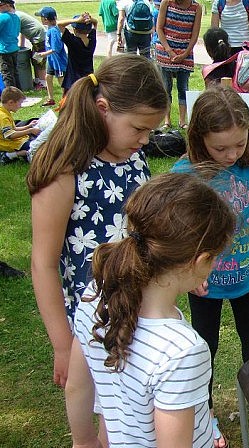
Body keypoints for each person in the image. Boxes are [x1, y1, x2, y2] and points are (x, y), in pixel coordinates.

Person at [66, 172, 235, 448]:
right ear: (200, 261)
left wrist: (84, 442)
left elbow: (77, 385)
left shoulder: (95, 297)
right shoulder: (182, 350)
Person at [26, 54, 168, 389]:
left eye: (150, 131)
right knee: (107, 408)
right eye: (138, 128)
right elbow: (42, 264)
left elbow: (142, 228)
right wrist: (63, 346)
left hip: (140, 305)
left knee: (136, 407)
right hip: (94, 319)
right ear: (103, 108)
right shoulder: (64, 170)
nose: (145, 140)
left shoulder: (134, 157)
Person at [171, 86, 249, 448]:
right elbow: (173, 229)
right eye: (220, 148)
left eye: (238, 145)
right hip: (204, 282)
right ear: (198, 138)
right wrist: (188, 271)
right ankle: (204, 412)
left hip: (247, 273)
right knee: (203, 347)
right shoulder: (186, 172)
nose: (231, 155)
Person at [155, 0, 202, 129]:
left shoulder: (197, 7)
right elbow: (159, 28)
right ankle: (167, 120)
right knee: (166, 87)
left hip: (185, 51)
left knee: (183, 88)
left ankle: (182, 121)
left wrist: (186, 53)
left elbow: (195, 34)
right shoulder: (166, 2)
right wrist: (169, 50)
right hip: (165, 51)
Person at [35, 6, 67, 107]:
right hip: (52, 60)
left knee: (61, 80)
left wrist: (44, 54)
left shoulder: (54, 31)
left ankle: (65, 100)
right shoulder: (49, 29)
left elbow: (56, 48)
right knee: (48, 77)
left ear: (45, 19)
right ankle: (51, 98)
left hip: (58, 61)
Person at [58, 13, 98, 95]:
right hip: (88, 79)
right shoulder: (92, 40)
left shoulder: (73, 41)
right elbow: (96, 23)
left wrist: (76, 20)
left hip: (73, 80)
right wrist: (90, 19)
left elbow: (60, 24)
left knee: (70, 104)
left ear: (75, 29)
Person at [0, 86, 41, 164]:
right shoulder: (3, 117)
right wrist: (30, 130)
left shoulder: (5, 112)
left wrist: (28, 126)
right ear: (11, 102)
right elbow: (10, 135)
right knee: (37, 148)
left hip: (16, 142)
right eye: (20, 103)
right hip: (12, 144)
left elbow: (14, 128)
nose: (21, 106)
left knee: (36, 143)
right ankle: (9, 155)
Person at [16, 10, 47, 90]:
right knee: (35, 59)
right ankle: (37, 81)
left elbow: (14, 33)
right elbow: (22, 30)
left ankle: (43, 83)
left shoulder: (14, 17)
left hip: (39, 37)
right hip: (37, 37)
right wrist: (22, 45)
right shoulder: (17, 15)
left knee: (39, 61)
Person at [0, 0, 20, 89]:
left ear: (8, 5)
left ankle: (10, 96)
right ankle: (18, 91)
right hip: (14, 48)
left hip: (4, 49)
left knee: (6, 74)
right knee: (15, 73)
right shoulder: (16, 17)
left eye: (0, 5)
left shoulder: (3, 17)